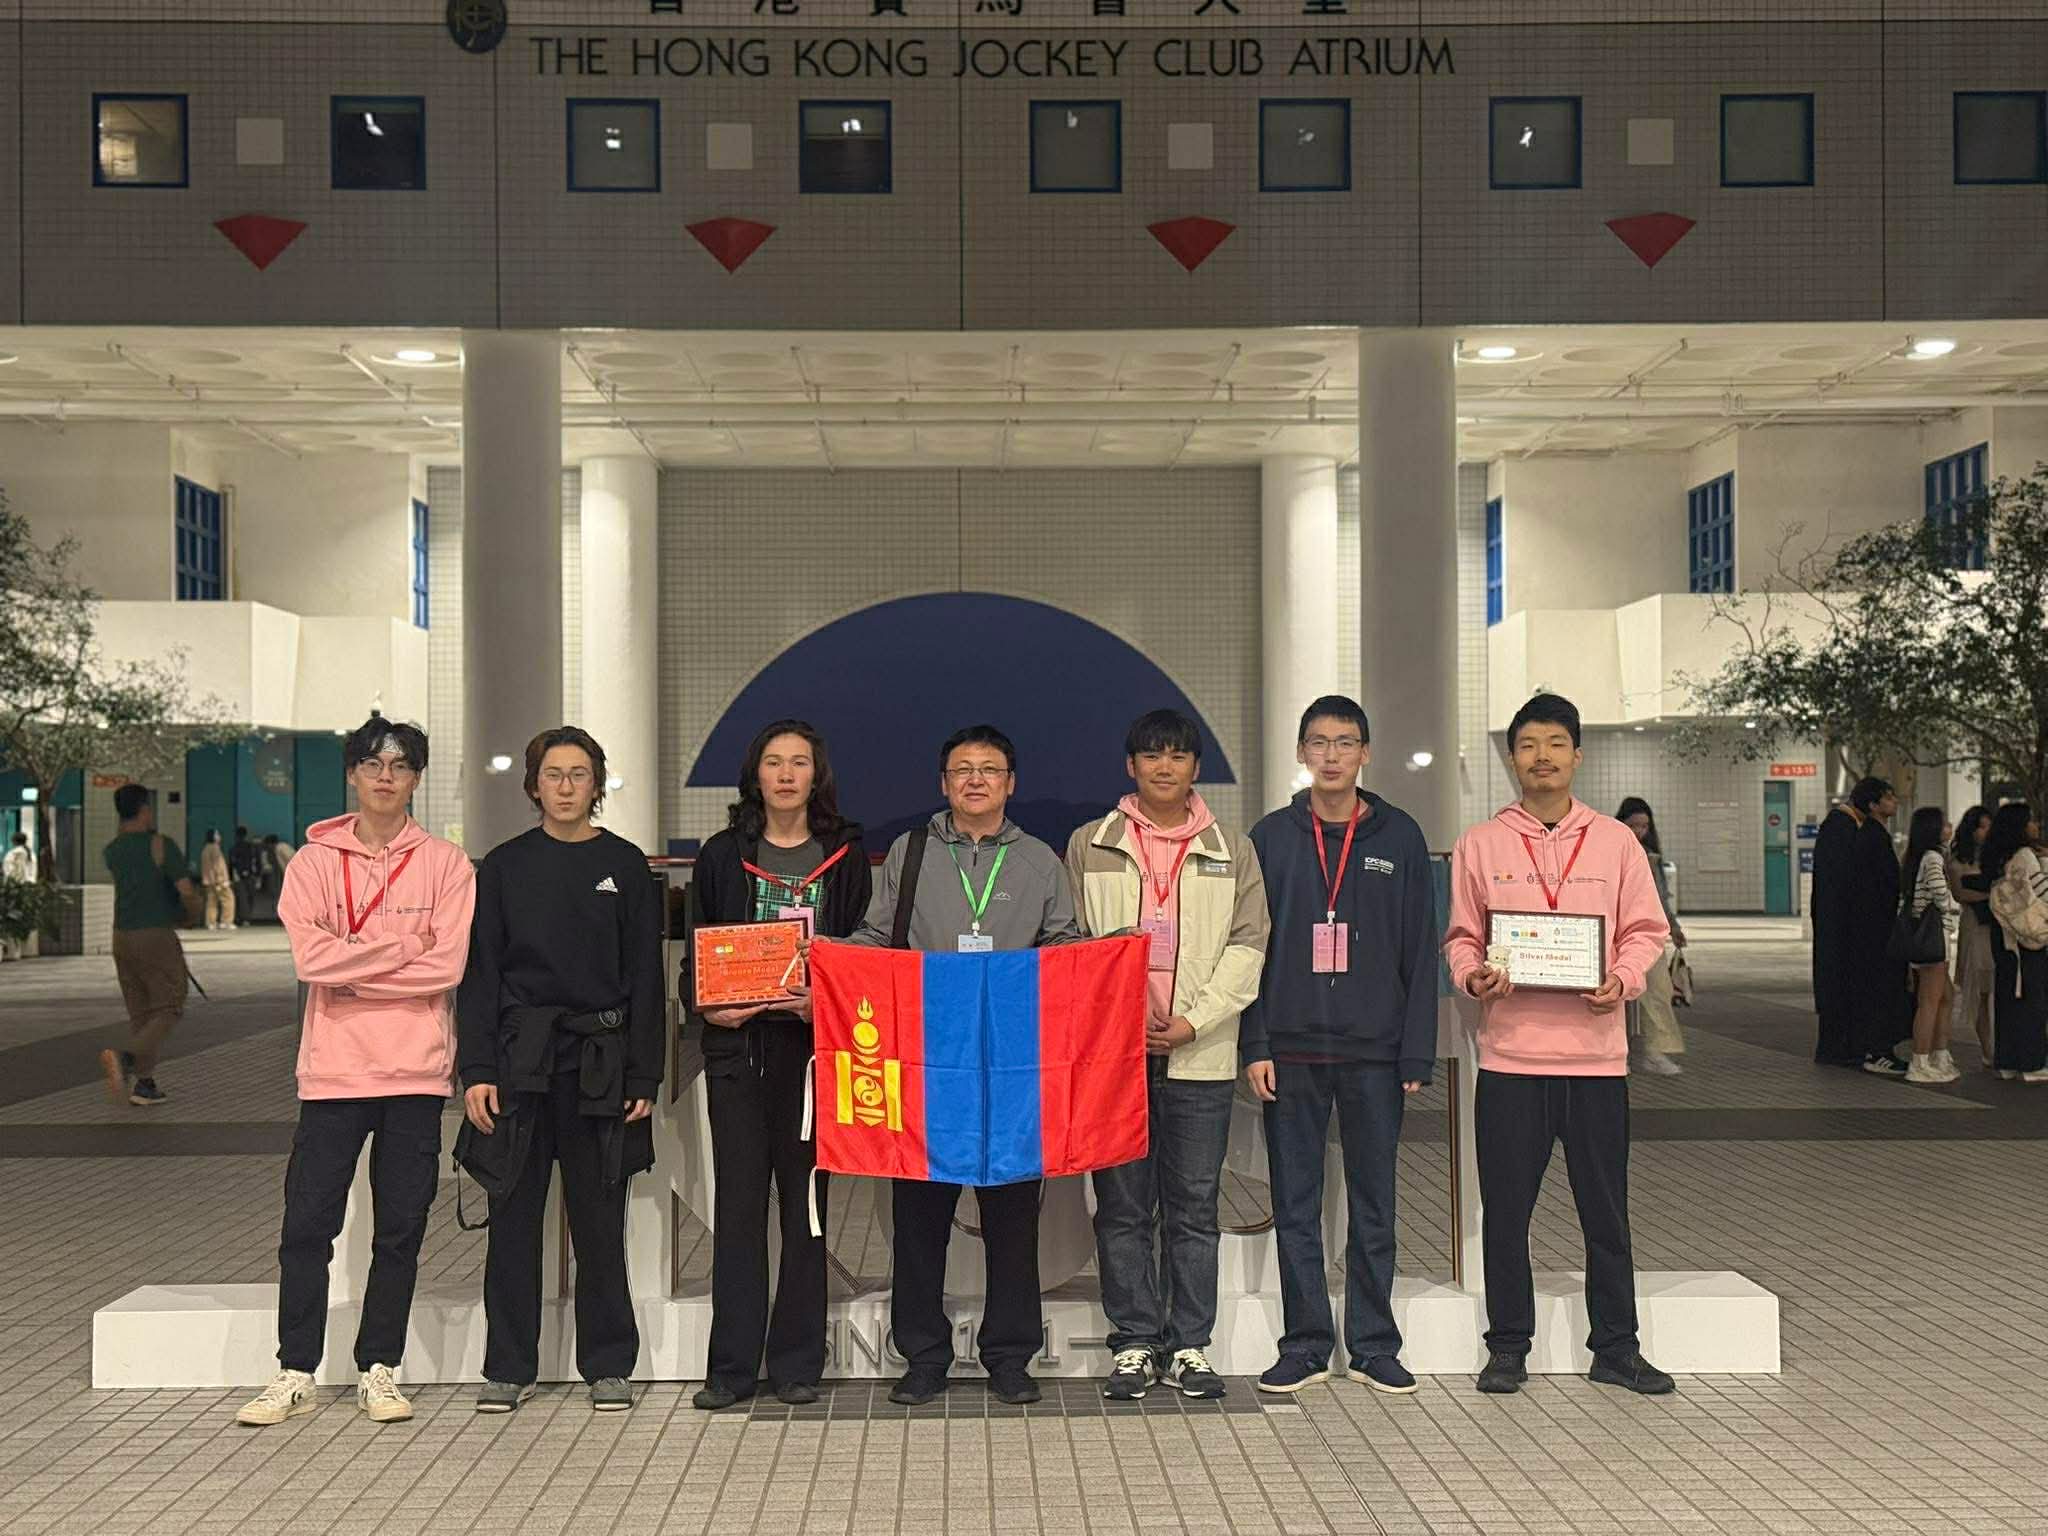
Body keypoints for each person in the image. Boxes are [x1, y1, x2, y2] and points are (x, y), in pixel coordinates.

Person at [236, 715, 475, 1428]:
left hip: (416, 1073)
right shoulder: (313, 864)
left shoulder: (446, 865)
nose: (385, 777)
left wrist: (355, 962)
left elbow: (447, 966)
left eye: (399, 766)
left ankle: (380, 1368)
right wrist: (403, 949)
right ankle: (295, 1369)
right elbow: (311, 961)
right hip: (333, 1073)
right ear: (352, 774)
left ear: (416, 779)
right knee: (307, 1227)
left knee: (400, 1230)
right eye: (372, 764)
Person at [1445, 693, 1674, 1397]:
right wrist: (1473, 976)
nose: (1541, 757)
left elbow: (1647, 930)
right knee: (1506, 1215)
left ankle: (1617, 1347)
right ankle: (1508, 1346)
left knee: (1606, 1215)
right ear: (1512, 758)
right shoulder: (1481, 843)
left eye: (1554, 744)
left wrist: (1623, 979)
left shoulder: (1615, 841)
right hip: (1510, 1061)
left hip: (1596, 1063)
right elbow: (1460, 937)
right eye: (1527, 745)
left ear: (1577, 755)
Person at [847, 724, 1082, 1407]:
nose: (975, 780)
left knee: (1013, 1221)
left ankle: (1010, 1355)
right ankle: (923, 1355)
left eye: (989, 769)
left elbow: (1065, 946)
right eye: (962, 770)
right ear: (943, 783)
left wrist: (1109, 960)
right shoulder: (911, 851)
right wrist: (828, 958)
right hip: (928, 1063)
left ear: (1011, 783)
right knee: (919, 1220)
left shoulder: (1039, 861)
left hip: (1012, 1071)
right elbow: (877, 936)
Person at [460, 726, 665, 1415]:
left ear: (596, 784)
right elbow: (481, 974)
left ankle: (608, 1364)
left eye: (580, 774)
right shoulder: (505, 867)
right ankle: (507, 1367)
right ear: (534, 785)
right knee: (512, 1220)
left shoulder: (625, 866)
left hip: (601, 1064)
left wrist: (643, 1076)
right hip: (520, 1064)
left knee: (600, 1223)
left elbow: (645, 977)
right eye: (554, 774)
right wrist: (478, 1068)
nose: (567, 786)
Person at [1065, 708, 1269, 1401]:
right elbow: (1070, 946)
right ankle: (1133, 1342)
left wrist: (1193, 1021)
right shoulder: (1090, 843)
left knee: (1194, 1207)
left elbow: (1249, 946)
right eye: (1151, 755)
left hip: (1199, 1056)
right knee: (1121, 1208)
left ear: (1194, 767)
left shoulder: (1230, 849)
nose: (1164, 766)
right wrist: (1117, 1016)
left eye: (1177, 755)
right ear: (1131, 766)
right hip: (1114, 1057)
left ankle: (1188, 1345)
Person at [1239, 695, 1438, 1397]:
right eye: (1319, 742)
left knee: (1374, 1203)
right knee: (1296, 1205)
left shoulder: (1399, 836)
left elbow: (1420, 948)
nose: (1331, 755)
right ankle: (1305, 1344)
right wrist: (1255, 1043)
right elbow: (1250, 950)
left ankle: (1375, 1344)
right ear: (1301, 752)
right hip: (1290, 1051)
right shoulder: (1270, 837)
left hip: (1375, 1053)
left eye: (1345, 742)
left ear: (1365, 753)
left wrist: (1416, 1051)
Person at [683, 719, 871, 1411]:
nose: (786, 774)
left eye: (799, 762)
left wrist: (825, 1003)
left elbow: (864, 952)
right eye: (773, 762)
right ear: (754, 774)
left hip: (813, 1056)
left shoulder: (844, 856)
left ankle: (796, 1364)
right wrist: (709, 1006)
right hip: (738, 1053)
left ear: (817, 775)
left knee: (806, 1211)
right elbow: (696, 949)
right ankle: (731, 1368)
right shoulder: (722, 853)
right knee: (737, 1211)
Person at [95, 784, 199, 1109]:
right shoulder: (160, 845)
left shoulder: (112, 850)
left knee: (141, 1012)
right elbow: (185, 889)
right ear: (144, 809)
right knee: (169, 1005)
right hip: (154, 934)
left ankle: (145, 1083)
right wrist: (191, 914)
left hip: (121, 936)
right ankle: (126, 1058)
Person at [1810, 778, 1908, 1075]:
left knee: (1844, 988)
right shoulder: (1846, 829)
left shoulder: (1848, 828)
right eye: (1888, 797)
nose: (1895, 802)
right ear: (1872, 803)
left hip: (1842, 927)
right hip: (1847, 928)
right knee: (1849, 988)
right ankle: (1846, 1049)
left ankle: (1844, 1048)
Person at [1615, 798, 1686, 1077]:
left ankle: (1654, 1052)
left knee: (1658, 991)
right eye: (1633, 825)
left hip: (1647, 934)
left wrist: (1674, 927)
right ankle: (1618, 1053)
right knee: (1617, 995)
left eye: (1644, 826)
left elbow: (1661, 897)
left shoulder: (1651, 857)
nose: (1639, 831)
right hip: (1617, 933)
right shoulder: (1610, 852)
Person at [1981, 802, 2048, 1083]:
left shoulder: (1996, 856)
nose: (2035, 825)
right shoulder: (2026, 856)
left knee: (2008, 996)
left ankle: (2007, 1060)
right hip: (2028, 937)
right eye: (2030, 821)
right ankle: (2032, 1063)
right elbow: (2042, 892)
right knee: (2033, 999)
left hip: (2004, 934)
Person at [1900, 806, 1960, 1084]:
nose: (1949, 827)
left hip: (1928, 937)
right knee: (1930, 1001)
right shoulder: (1933, 857)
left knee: (1945, 996)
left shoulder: (1919, 857)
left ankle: (1938, 1054)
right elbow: (1938, 891)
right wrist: (1951, 906)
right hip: (1933, 938)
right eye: (1944, 823)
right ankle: (1920, 1061)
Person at [1947, 806, 1996, 1066]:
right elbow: (1958, 894)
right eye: (1982, 826)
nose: (1986, 832)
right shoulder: (1956, 860)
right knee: (1980, 989)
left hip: (1996, 924)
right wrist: (1989, 896)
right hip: (1974, 924)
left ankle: (1996, 1045)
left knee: (1994, 987)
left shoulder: (1994, 855)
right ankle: (1987, 1048)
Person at [1, 832, 31, 962]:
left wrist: (8, 883)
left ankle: (14, 948)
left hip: (13, 888)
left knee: (12, 917)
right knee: (19, 917)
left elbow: (11, 872)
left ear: (13, 841)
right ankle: (17, 949)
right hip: (23, 887)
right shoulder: (28, 853)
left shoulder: (15, 854)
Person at [199, 827, 235, 931]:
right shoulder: (215, 848)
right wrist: (222, 880)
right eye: (217, 835)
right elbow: (218, 866)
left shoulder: (205, 849)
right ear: (214, 837)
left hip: (208, 880)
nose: (219, 837)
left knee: (211, 902)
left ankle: (211, 922)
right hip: (219, 880)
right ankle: (226, 921)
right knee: (228, 899)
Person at [229, 826, 263, 926]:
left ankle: (243, 918)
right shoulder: (251, 847)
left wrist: (232, 876)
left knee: (242, 898)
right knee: (249, 897)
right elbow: (257, 862)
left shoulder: (233, 848)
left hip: (238, 876)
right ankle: (247, 918)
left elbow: (232, 864)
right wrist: (258, 875)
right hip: (251, 875)